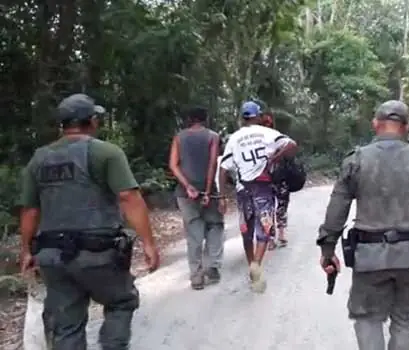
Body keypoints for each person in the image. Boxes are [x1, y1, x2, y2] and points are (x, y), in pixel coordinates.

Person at [18, 93, 160, 350]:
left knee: (67, 324)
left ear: (62, 125)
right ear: (92, 121)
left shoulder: (38, 159)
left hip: (52, 256)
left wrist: (26, 250)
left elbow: (29, 210)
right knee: (121, 301)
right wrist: (149, 243)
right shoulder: (105, 152)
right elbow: (128, 197)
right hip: (98, 252)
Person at [316, 100, 409, 350]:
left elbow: (337, 209)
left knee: (368, 318)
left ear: (375, 124)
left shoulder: (357, 160)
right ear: (407, 127)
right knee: (404, 319)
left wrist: (328, 251)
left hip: (369, 258)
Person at [218, 101, 297, 293]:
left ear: (242, 118)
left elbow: (223, 169)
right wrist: (274, 158)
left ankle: (250, 263)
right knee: (265, 228)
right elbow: (292, 145)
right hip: (263, 188)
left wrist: (221, 197)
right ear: (258, 116)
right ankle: (257, 265)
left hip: (243, 189)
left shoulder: (234, 138)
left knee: (247, 230)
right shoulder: (267, 133)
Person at [169, 107, 224, 290]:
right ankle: (212, 266)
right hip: (208, 191)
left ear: (189, 120)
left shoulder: (179, 137)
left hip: (185, 194)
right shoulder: (213, 136)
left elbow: (173, 165)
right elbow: (212, 165)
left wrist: (187, 186)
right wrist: (207, 192)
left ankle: (196, 276)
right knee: (215, 226)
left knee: (193, 233)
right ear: (205, 119)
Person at [261, 112, 289, 249]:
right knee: (267, 209)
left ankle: (281, 233)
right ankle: (270, 237)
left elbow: (290, 147)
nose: (267, 125)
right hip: (264, 177)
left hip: (279, 175)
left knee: (281, 206)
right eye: (265, 123)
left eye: (269, 123)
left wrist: (275, 157)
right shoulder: (257, 139)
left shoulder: (277, 136)